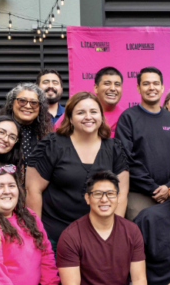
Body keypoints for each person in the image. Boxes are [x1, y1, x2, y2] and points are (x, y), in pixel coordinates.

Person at [26, 92, 129, 248]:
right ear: (70, 118)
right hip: (55, 234)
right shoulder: (52, 145)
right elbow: (33, 190)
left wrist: (111, 231)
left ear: (101, 116)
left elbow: (121, 194)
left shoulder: (114, 148)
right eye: (81, 112)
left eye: (94, 112)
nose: (88, 117)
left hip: (98, 234)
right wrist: (36, 234)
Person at [116, 67, 170, 220]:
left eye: (156, 83)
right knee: (142, 240)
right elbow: (125, 158)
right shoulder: (128, 118)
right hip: (139, 195)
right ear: (138, 88)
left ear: (162, 88)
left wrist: (169, 186)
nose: (151, 88)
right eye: (146, 83)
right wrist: (153, 188)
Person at [0, 83, 52, 162]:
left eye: (34, 103)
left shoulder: (45, 134)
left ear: (40, 107)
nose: (28, 106)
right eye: (22, 101)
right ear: (12, 103)